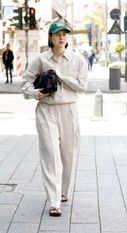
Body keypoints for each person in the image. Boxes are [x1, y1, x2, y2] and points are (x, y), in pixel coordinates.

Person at [21, 22, 87, 217]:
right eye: (57, 34)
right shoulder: (40, 60)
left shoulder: (77, 59)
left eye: (65, 34)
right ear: (50, 37)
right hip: (46, 110)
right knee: (50, 154)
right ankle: (54, 200)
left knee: (68, 155)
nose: (62, 37)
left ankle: (64, 192)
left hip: (69, 110)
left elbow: (82, 87)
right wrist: (36, 93)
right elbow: (24, 85)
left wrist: (60, 76)